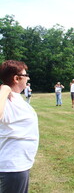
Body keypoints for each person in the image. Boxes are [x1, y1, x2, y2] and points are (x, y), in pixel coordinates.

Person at [0, 60, 39, 193]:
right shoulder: (5, 97)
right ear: (16, 78)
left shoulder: (15, 98)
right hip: (13, 167)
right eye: (25, 75)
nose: (27, 77)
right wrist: (5, 89)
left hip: (19, 165)